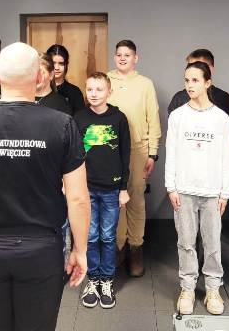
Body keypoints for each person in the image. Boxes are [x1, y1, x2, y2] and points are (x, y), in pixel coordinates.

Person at [0, 42, 91, 331]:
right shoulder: (63, 125)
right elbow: (78, 199)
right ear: (40, 77)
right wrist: (80, 250)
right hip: (41, 251)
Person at [165, 62, 229, 316]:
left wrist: (225, 191)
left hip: (212, 191)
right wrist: (171, 187)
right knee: (186, 242)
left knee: (212, 243)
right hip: (183, 189)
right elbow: (171, 152)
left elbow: (227, 157)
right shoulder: (177, 116)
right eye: (187, 80)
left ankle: (213, 289)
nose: (190, 85)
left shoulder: (220, 118)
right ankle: (188, 288)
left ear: (207, 83)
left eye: (195, 80)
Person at [74, 72, 131, 309]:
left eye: (99, 89)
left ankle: (107, 280)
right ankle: (93, 279)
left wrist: (123, 188)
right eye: (89, 89)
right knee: (90, 237)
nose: (94, 94)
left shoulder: (119, 118)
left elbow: (125, 155)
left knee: (108, 237)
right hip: (85, 189)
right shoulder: (78, 118)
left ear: (109, 92)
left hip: (111, 190)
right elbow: (73, 156)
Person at [107, 39, 161, 277]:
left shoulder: (145, 84)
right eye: (119, 54)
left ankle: (136, 247)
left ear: (135, 58)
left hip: (138, 149)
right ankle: (119, 246)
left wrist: (152, 153)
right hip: (110, 148)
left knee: (136, 198)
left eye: (127, 55)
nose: (122, 58)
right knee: (115, 199)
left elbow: (153, 119)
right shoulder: (106, 80)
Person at [167, 49, 229, 142]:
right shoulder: (178, 99)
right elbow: (173, 136)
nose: (192, 69)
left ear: (210, 69)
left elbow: (228, 137)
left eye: (197, 65)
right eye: (189, 66)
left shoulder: (225, 100)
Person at [47, 44, 86, 114]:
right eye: (53, 63)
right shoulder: (39, 89)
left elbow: (80, 117)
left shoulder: (75, 92)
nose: (56, 68)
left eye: (61, 63)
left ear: (66, 65)